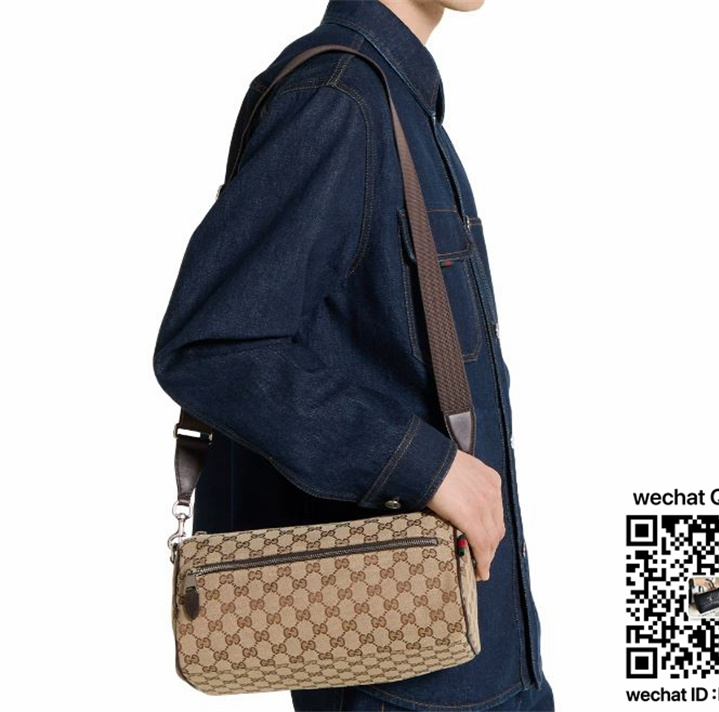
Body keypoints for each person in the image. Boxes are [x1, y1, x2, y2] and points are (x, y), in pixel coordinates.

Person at [152, 1, 555, 710]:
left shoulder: (391, 99)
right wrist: (426, 467)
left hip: (465, 652)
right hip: (403, 670)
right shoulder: (340, 100)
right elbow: (213, 346)